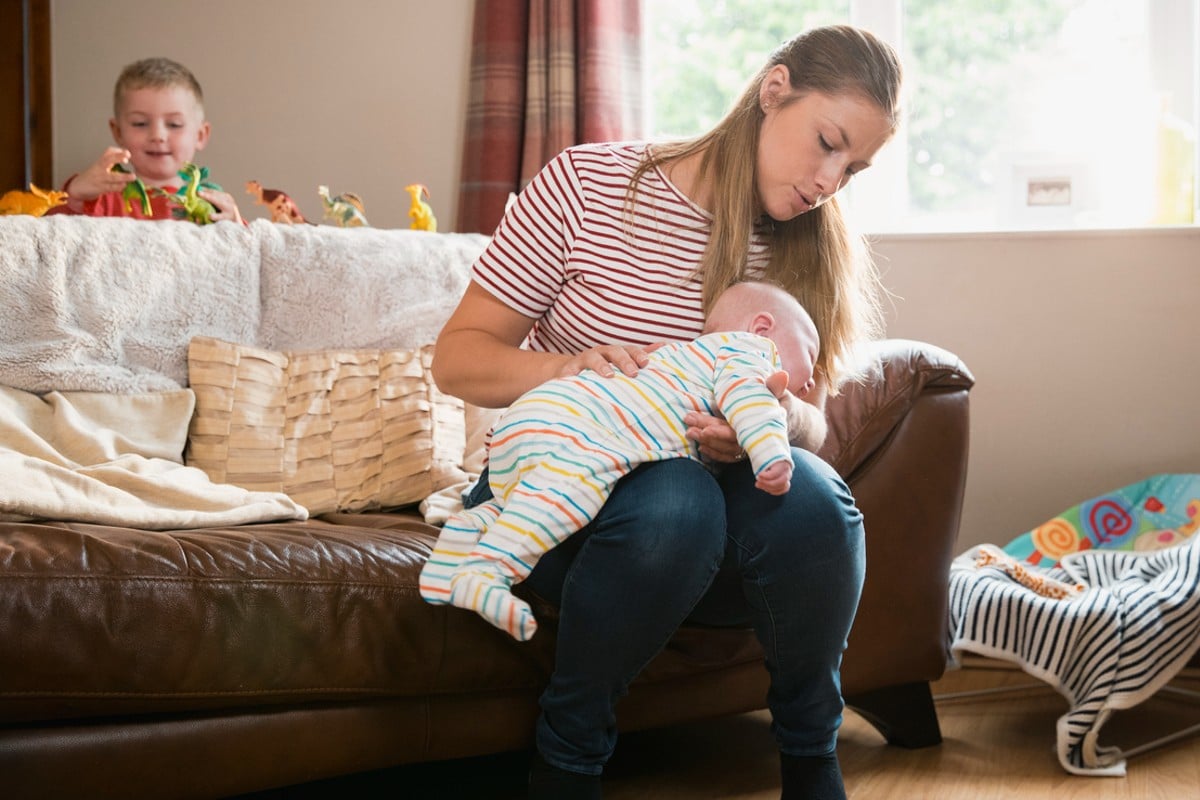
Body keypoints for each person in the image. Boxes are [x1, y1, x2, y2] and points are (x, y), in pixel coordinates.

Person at [431, 24, 902, 800]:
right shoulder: (587, 184)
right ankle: (566, 763)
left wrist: (773, 427)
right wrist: (567, 367)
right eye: (827, 143)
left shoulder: (810, 245)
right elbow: (458, 358)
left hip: (711, 536)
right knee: (674, 500)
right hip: (566, 497)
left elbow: (814, 426)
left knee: (818, 501)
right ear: (773, 89)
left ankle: (813, 761)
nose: (830, 181)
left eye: (853, 168)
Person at [420, 281, 819, 641]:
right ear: (762, 329)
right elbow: (751, 402)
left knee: (512, 501)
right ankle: (488, 574)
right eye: (809, 353)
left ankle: (453, 553)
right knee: (565, 497)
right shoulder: (750, 351)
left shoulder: (677, 357)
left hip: (530, 420)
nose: (813, 381)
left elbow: (812, 421)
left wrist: (789, 418)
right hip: (583, 434)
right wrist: (769, 451)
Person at [50, 57, 242, 222]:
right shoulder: (99, 201)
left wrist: (235, 225)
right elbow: (49, 242)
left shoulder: (211, 205)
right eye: (140, 123)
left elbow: (250, 255)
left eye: (174, 124)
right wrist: (73, 194)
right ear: (118, 132)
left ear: (200, 135)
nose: (157, 136)